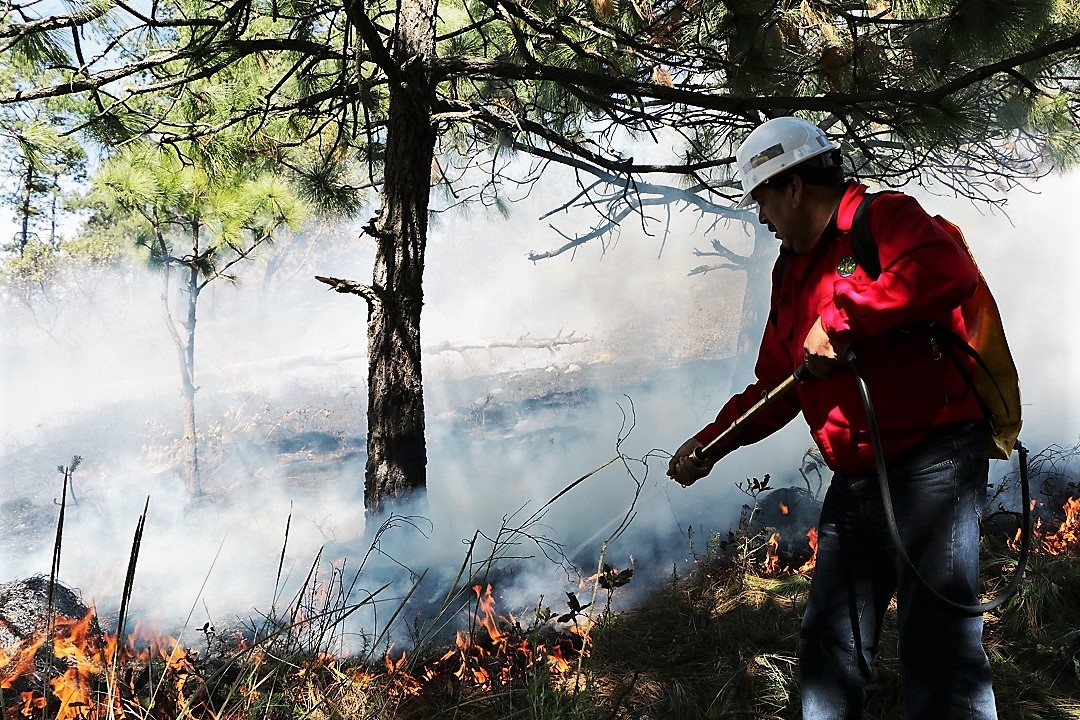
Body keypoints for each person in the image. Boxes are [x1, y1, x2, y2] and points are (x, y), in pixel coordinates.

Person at [667, 116, 998, 719]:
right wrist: (711, 445)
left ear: (793, 186)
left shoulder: (884, 218)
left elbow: (947, 273)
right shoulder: (789, 271)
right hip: (856, 478)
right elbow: (778, 384)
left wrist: (845, 318)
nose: (760, 219)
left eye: (762, 200)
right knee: (830, 647)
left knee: (940, 654)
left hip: (932, 464)